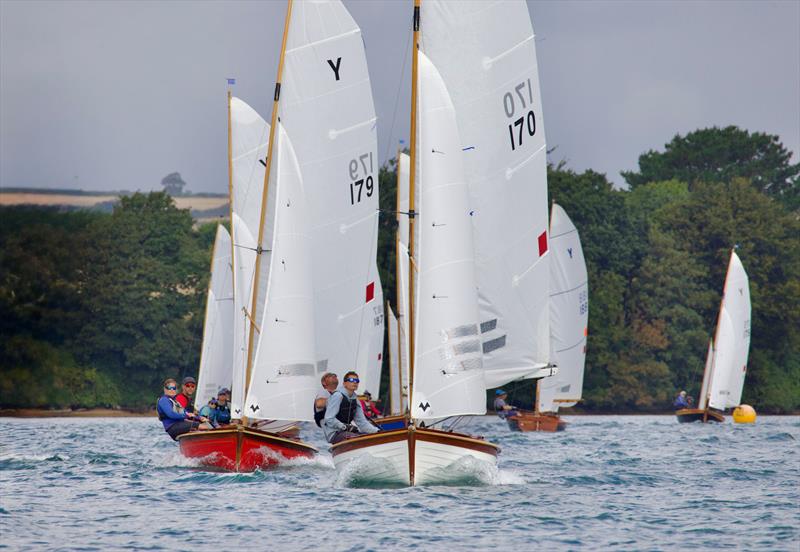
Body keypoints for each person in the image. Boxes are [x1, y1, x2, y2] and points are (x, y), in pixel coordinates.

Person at [323, 371, 379, 444]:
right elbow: (329, 419)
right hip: (334, 433)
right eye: (351, 380)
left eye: (357, 381)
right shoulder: (337, 396)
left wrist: (377, 431)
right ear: (344, 383)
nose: (355, 382)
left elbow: (362, 423)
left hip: (347, 432)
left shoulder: (355, 399)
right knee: (357, 438)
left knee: (369, 437)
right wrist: (345, 427)